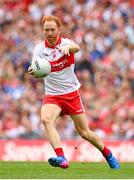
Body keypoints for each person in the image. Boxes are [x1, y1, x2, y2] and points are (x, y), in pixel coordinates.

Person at [28, 15, 120, 169]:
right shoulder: (39, 49)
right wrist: (32, 71)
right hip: (52, 95)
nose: (49, 33)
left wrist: (67, 48)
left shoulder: (66, 43)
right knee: (46, 120)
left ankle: (108, 154)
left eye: (52, 30)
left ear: (58, 30)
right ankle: (61, 158)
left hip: (71, 94)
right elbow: (36, 68)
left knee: (85, 133)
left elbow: (76, 47)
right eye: (46, 30)